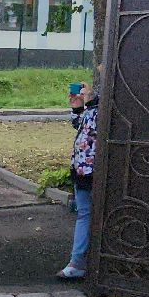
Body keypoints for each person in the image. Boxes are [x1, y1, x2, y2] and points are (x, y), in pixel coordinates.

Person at [60, 84, 100, 280]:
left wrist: (91, 102)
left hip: (94, 169)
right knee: (84, 213)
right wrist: (77, 107)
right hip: (82, 169)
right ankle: (78, 262)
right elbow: (83, 125)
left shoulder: (104, 107)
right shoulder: (92, 109)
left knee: (90, 214)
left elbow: (95, 125)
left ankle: (81, 262)